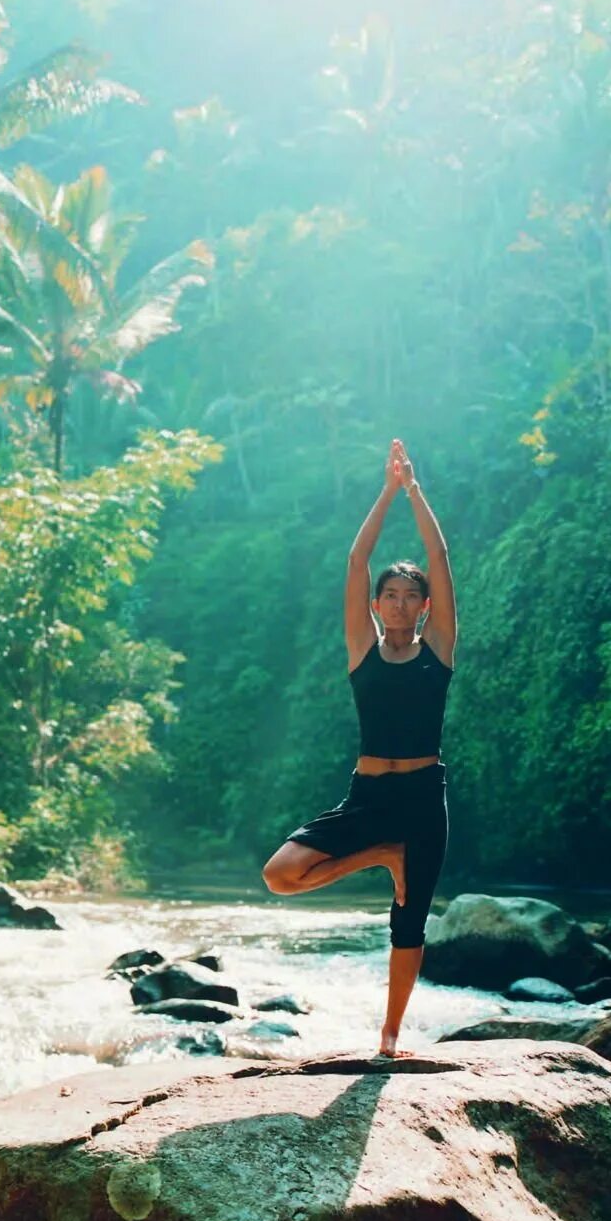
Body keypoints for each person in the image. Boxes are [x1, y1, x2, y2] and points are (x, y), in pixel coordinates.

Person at [261, 438, 456, 1057]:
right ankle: (380, 853)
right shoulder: (362, 652)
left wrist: (416, 491)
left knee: (410, 922)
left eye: (410, 595)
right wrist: (387, 490)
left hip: (424, 797)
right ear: (376, 605)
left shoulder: (439, 650)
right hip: (368, 796)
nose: (399, 602)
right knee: (281, 875)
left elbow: (439, 555)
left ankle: (391, 1034)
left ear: (424, 607)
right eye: (389, 594)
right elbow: (354, 559)